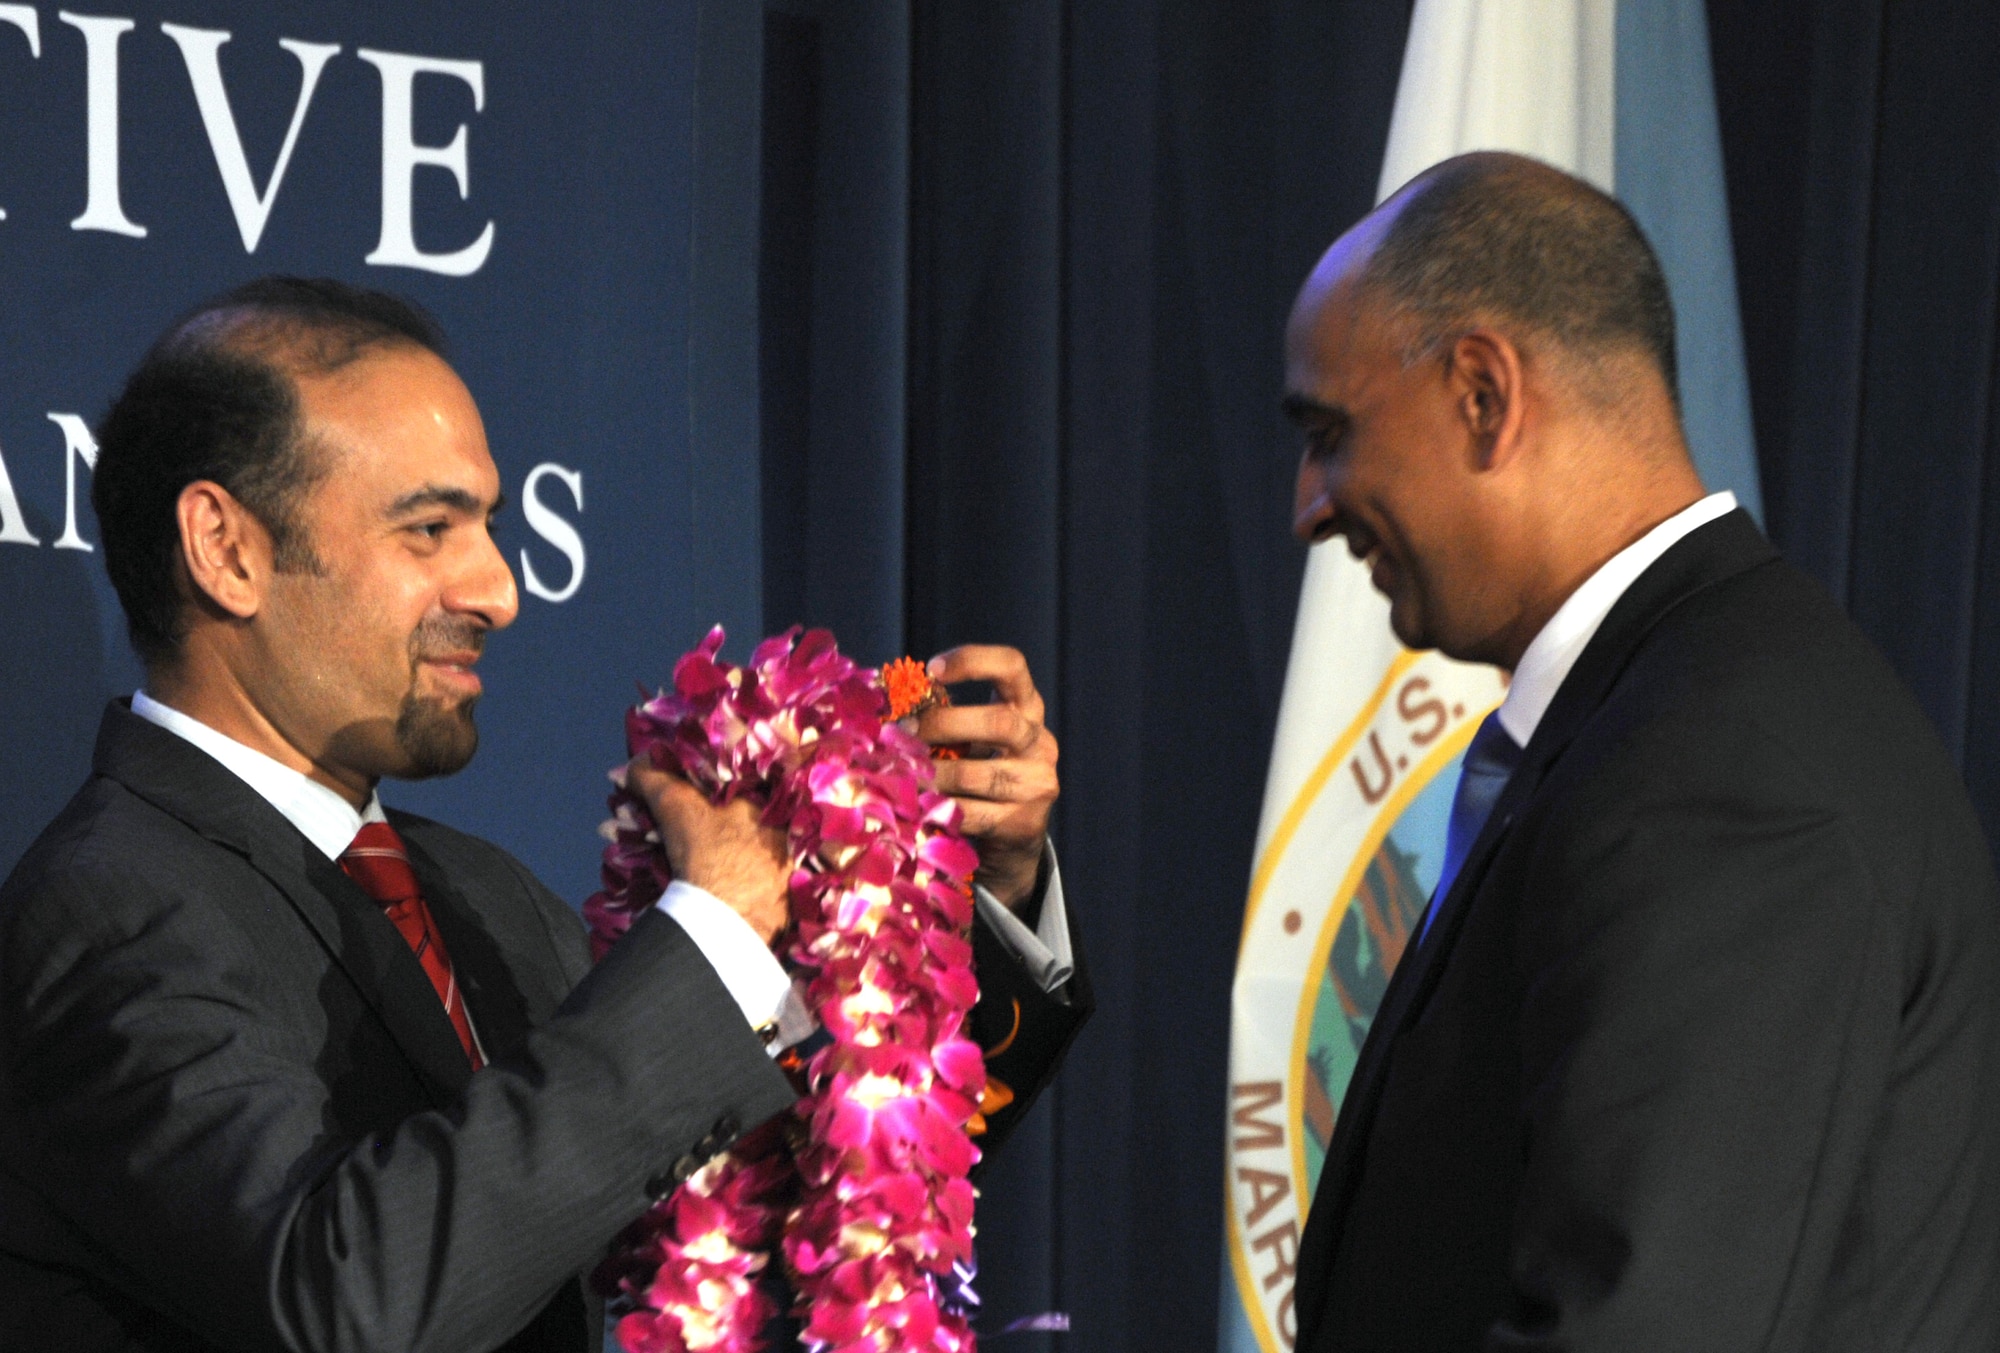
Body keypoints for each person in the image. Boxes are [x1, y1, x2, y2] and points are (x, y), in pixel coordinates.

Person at [0, 277, 1090, 1351]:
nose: (498, 590)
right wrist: (713, 929)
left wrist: (969, 897)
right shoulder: (107, 909)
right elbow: (343, 1300)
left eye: (486, 523)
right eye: (428, 529)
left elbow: (801, 1201)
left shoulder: (483, 897)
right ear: (227, 550)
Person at [1282, 152, 2000, 1350]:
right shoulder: (1670, 713)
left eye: (1329, 433)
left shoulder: (1725, 773)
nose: (1309, 503)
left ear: (1480, 395)